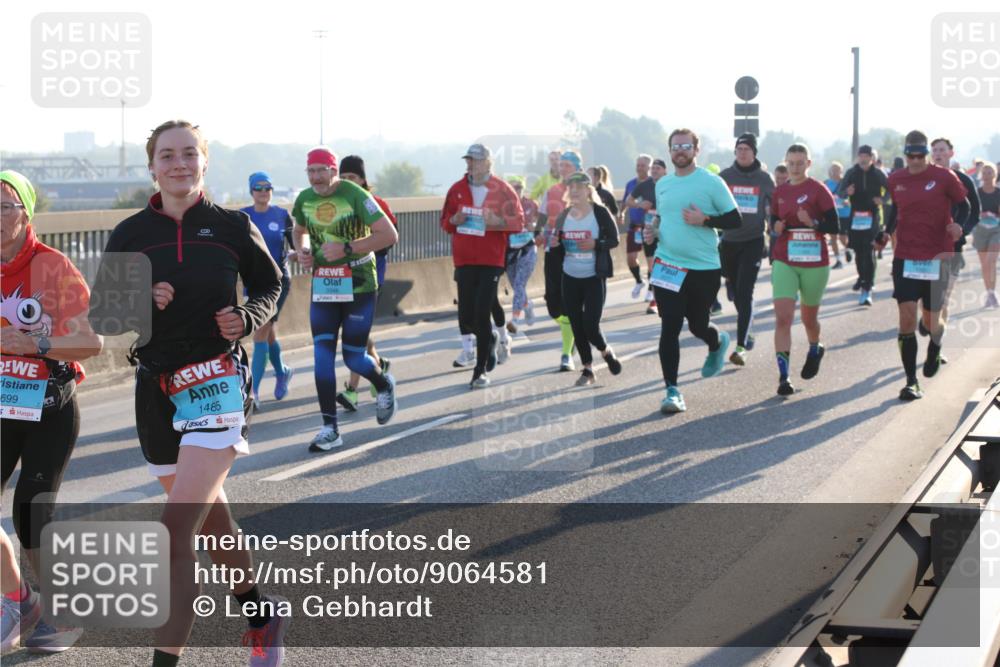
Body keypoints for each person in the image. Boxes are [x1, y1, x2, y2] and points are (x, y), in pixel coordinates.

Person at [87, 120, 287, 666]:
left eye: (189, 154)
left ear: (205, 161)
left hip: (216, 383)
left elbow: (271, 284)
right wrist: (141, 300)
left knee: (174, 533)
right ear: (152, 167)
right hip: (156, 389)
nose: (179, 163)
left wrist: (248, 316)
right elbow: (104, 314)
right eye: (167, 155)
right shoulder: (131, 233)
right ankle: (260, 613)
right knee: (211, 520)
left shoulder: (231, 226)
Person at [1, 171, 101, 654]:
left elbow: (90, 342)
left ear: (26, 213)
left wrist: (35, 344)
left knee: (31, 512)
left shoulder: (53, 266)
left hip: (48, 406)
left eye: (5, 206)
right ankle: (21, 601)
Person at [292, 147, 399, 450]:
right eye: (311, 171)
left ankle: (383, 384)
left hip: (359, 284)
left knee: (353, 356)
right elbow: (298, 230)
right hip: (324, 284)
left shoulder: (355, 195)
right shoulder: (304, 199)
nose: (316, 177)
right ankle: (330, 428)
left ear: (333, 171)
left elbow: (388, 235)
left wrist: (347, 248)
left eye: (321, 171)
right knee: (322, 357)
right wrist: (302, 250)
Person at [646, 129, 741, 413]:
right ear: (669, 151)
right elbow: (662, 217)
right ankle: (672, 391)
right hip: (668, 264)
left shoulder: (711, 182)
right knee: (670, 325)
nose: (680, 151)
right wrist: (653, 232)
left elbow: (735, 219)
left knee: (698, 325)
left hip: (703, 267)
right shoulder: (663, 184)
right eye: (675, 147)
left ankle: (716, 341)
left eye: (686, 146)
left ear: (696, 150)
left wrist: (706, 219)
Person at [879, 130, 968, 401]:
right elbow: (895, 210)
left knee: (930, 321)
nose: (916, 160)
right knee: (906, 317)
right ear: (905, 154)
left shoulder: (944, 177)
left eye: (920, 155)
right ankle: (911, 381)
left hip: (936, 257)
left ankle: (936, 344)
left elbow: (964, 205)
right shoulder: (896, 179)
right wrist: (884, 232)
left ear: (926, 154)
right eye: (911, 156)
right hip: (906, 256)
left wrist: (958, 225)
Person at [441, 144, 524, 388]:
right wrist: (454, 219)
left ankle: (480, 371)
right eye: (468, 160)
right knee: (466, 317)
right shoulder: (456, 189)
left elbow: (519, 222)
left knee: (481, 312)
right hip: (464, 259)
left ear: (488, 162)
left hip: (491, 260)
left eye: (476, 160)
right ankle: (490, 339)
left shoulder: (503, 190)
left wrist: (497, 221)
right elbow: (445, 222)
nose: (471, 164)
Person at [769, 144, 841, 396]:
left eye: (800, 163)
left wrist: (813, 222)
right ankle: (784, 377)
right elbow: (773, 221)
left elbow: (835, 226)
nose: (795, 167)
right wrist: (776, 227)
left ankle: (815, 347)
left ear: (808, 164)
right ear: (786, 163)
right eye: (791, 163)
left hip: (814, 262)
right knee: (783, 318)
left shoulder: (818, 190)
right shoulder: (779, 191)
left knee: (809, 319)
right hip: (785, 259)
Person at [333, 155, 398, 413]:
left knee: (355, 335)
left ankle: (352, 391)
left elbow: (390, 238)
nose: (348, 182)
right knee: (355, 332)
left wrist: (361, 246)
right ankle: (378, 365)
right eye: (343, 177)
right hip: (340, 279)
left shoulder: (376, 203)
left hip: (369, 279)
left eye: (352, 177)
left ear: (362, 179)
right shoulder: (335, 204)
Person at [551, 172, 622, 386]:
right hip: (570, 277)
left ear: (588, 190)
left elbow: (614, 240)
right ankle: (588, 369)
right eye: (571, 187)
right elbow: (557, 245)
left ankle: (606, 351)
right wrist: (554, 244)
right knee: (576, 324)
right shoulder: (564, 216)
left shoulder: (600, 213)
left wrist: (596, 244)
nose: (574, 191)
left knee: (590, 324)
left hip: (593, 276)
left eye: (579, 187)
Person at [719, 133, 775, 365]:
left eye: (747, 149)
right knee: (734, 291)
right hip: (729, 241)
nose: (742, 153)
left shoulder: (764, 178)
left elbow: (775, 207)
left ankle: (740, 346)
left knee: (745, 291)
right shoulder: (725, 177)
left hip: (753, 240)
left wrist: (775, 227)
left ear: (754, 153)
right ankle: (748, 325)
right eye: (739, 149)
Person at [240, 172, 294, 410]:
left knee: (260, 332)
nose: (263, 192)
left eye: (267, 188)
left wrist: (299, 252)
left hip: (279, 282)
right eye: (258, 188)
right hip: (253, 282)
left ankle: (253, 392)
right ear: (251, 191)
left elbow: (297, 243)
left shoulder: (282, 215)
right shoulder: (243, 216)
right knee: (268, 332)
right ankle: (282, 372)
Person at [535, 151, 582, 371]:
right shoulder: (552, 190)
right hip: (553, 249)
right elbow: (543, 215)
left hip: (574, 252)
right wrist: (537, 233)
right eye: (561, 165)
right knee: (552, 303)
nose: (562, 169)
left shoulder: (585, 191)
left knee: (568, 301)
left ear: (577, 168)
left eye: (567, 165)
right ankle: (572, 332)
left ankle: (566, 353)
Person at [928, 137, 981, 327]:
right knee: (927, 294)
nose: (938, 154)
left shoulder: (963, 179)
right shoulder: (924, 179)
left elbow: (975, 211)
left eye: (942, 150)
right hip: (928, 244)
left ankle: (937, 335)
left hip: (953, 244)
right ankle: (930, 321)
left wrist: (962, 230)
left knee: (944, 295)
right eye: (935, 150)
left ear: (951, 153)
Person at [838, 145, 888, 306]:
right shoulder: (851, 172)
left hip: (872, 216)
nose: (863, 159)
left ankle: (867, 287)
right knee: (859, 251)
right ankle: (862, 277)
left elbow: (891, 190)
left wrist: (882, 199)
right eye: (861, 156)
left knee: (869, 249)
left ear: (872, 158)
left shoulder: (878, 173)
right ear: (858, 157)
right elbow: (840, 192)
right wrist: (847, 192)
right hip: (856, 216)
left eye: (866, 156)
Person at [505, 176, 539, 332]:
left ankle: (514, 320)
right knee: (516, 286)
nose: (516, 190)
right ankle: (528, 305)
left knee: (519, 284)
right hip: (510, 251)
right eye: (513, 187)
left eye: (519, 187)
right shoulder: (502, 206)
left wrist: (535, 227)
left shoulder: (531, 204)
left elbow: (543, 223)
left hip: (528, 249)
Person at [621, 155, 654, 301]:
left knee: (651, 261)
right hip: (634, 226)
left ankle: (651, 290)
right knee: (631, 258)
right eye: (638, 165)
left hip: (649, 226)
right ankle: (639, 281)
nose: (640, 168)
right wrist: (621, 213)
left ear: (649, 168)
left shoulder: (653, 184)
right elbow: (625, 201)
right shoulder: (631, 184)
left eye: (643, 166)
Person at [972, 162, 999, 308]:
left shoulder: (998, 192)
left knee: (991, 261)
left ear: (995, 174)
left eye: (990, 172)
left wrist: (994, 215)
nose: (987, 175)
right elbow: (972, 211)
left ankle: (993, 292)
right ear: (981, 175)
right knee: (984, 265)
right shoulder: (977, 193)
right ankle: (990, 293)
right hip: (980, 230)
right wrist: (980, 214)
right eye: (984, 173)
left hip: (996, 230)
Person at [824, 162, 853, 265]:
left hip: (844, 213)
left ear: (841, 171)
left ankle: (847, 249)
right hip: (832, 213)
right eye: (833, 170)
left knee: (842, 237)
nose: (835, 172)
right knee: (833, 237)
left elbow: (853, 196)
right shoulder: (826, 183)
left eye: (837, 170)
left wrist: (848, 201)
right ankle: (838, 260)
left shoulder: (846, 182)